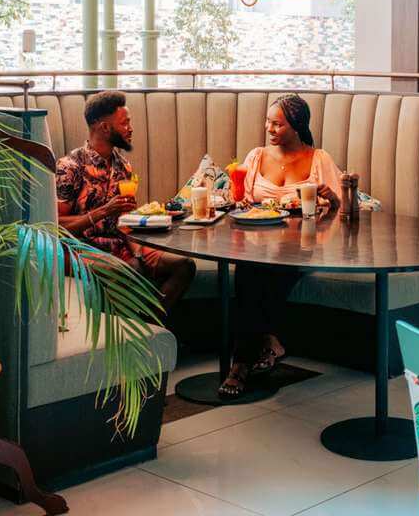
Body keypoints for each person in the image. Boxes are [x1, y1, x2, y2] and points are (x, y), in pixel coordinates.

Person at [219, 93, 342, 398]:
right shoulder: (256, 157)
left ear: (297, 126)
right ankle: (268, 342)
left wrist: (334, 200)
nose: (269, 129)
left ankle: (240, 365)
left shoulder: (319, 159)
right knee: (250, 268)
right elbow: (239, 201)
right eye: (268, 122)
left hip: (304, 245)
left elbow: (341, 213)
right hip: (257, 242)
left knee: (262, 269)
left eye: (277, 124)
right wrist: (240, 200)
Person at [56, 91, 195, 313]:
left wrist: (138, 252)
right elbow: (54, 225)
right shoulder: (70, 167)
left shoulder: (122, 166)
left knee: (184, 266)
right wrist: (102, 211)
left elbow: (125, 220)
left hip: (119, 245)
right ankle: (140, 326)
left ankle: (150, 325)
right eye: (125, 123)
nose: (130, 128)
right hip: (80, 249)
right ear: (105, 127)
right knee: (129, 271)